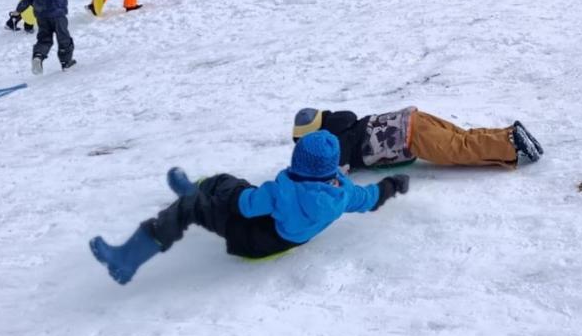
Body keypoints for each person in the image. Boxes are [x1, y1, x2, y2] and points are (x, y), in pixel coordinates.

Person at [88, 131, 409, 286]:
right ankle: (199, 192)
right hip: (286, 238)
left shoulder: (283, 191)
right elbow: (370, 197)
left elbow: (245, 206)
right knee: (230, 182)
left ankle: (127, 260)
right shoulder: (344, 193)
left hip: (253, 238)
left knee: (205, 199)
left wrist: (214, 202)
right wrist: (392, 185)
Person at [292, 106, 543, 170]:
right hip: (414, 119)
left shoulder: (336, 145)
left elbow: (332, 174)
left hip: (410, 137)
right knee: (461, 137)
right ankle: (508, 133)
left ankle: (511, 144)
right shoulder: (346, 121)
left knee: (458, 149)